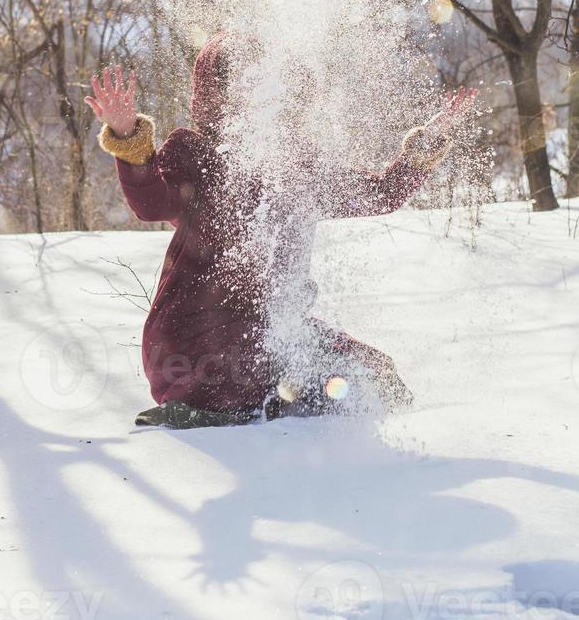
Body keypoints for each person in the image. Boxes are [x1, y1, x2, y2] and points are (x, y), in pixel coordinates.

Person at [85, 33, 476, 428]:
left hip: (276, 331)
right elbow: (152, 204)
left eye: (270, 81)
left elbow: (379, 194)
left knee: (375, 376)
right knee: (256, 383)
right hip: (194, 342)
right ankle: (264, 415)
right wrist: (127, 139)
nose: (259, 95)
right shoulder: (194, 150)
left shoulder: (299, 164)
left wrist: (425, 146)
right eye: (243, 82)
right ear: (216, 90)